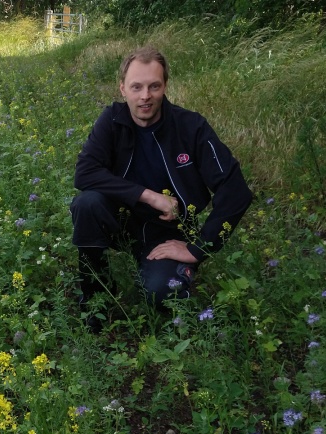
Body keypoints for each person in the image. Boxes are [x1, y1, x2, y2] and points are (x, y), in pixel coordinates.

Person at [71, 47, 252, 329]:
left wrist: (198, 248)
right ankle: (96, 296)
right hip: (121, 221)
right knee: (87, 204)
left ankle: (176, 270)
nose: (145, 96)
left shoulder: (190, 127)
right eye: (137, 87)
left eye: (154, 86)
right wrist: (148, 196)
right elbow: (84, 173)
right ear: (122, 89)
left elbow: (236, 189)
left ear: (165, 86)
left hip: (168, 234)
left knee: (162, 294)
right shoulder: (112, 120)